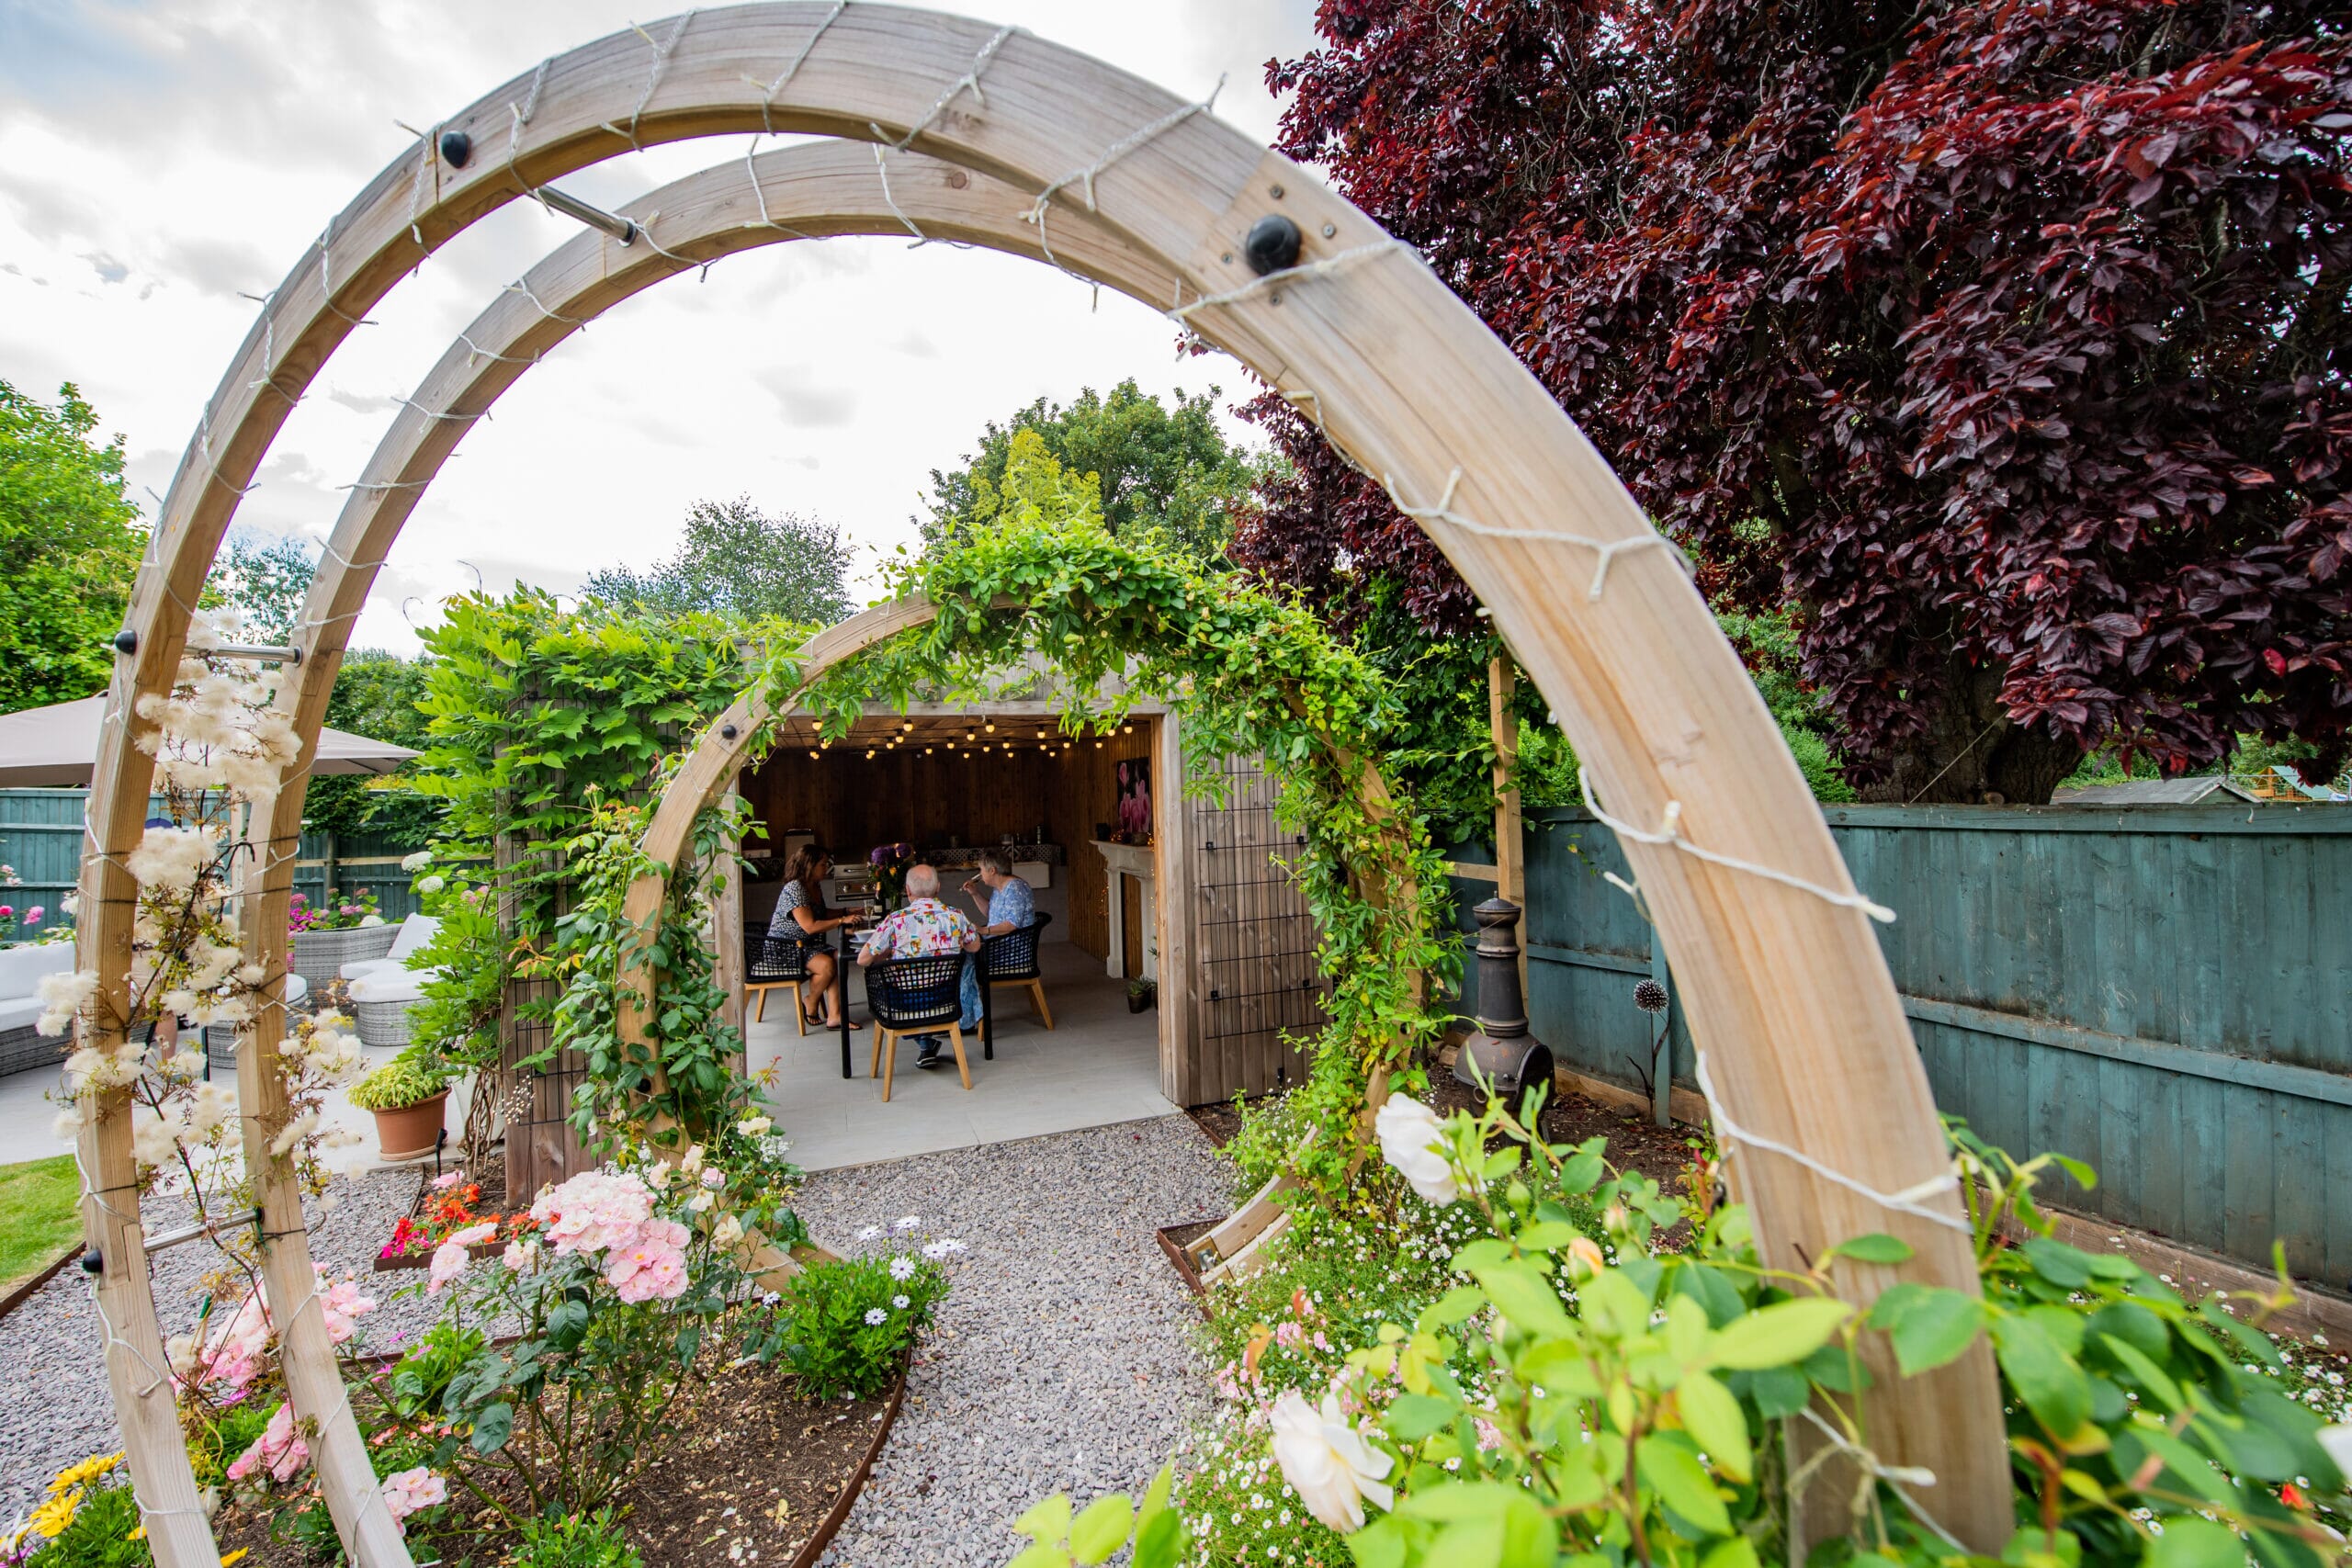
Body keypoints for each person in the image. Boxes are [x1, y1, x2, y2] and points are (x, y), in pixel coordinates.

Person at [855, 863, 978, 1068]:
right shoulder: (956, 916)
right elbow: (974, 946)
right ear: (938, 888)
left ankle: (925, 1042)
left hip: (904, 1004)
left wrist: (888, 952)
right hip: (945, 999)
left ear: (907, 890)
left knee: (885, 989)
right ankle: (926, 1043)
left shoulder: (895, 920)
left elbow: (863, 959)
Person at [765, 843, 862, 1030]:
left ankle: (835, 1015)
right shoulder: (795, 888)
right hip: (785, 946)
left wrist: (846, 910)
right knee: (826, 965)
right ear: (810, 865)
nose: (826, 868)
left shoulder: (814, 885)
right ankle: (811, 1001)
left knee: (838, 957)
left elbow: (822, 913)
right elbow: (810, 926)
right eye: (823, 864)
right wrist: (843, 920)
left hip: (806, 944)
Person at [956, 849, 1034, 1035]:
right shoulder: (1000, 888)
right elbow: (991, 914)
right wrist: (975, 893)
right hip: (997, 945)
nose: (980, 875)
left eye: (981, 870)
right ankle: (965, 1016)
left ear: (992, 871)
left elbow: (1011, 925)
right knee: (961, 955)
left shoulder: (1015, 889)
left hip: (1012, 951)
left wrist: (983, 930)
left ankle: (966, 1021)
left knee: (963, 960)